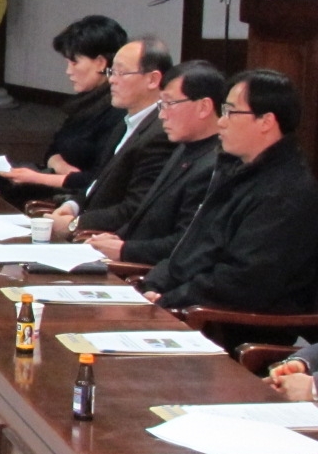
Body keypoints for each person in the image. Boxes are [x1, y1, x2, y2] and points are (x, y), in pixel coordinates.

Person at [141, 69, 318, 314]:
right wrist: (154, 284)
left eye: (230, 112)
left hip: (230, 323)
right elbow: (193, 247)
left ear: (266, 121)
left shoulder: (285, 192)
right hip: (185, 303)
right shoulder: (236, 171)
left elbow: (242, 282)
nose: (221, 122)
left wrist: (169, 300)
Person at [84, 60, 224, 264]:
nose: (162, 115)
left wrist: (125, 249)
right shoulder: (183, 148)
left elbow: (186, 243)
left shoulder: (213, 165)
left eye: (169, 104)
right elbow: (146, 215)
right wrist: (117, 237)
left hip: (148, 270)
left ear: (204, 107)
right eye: (161, 104)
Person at [47, 36, 174, 236]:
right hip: (88, 229)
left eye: (121, 73)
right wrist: (72, 206)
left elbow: (136, 207)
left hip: (110, 240)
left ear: (153, 79)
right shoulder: (124, 123)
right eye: (111, 72)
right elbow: (98, 181)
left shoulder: (160, 134)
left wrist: (75, 224)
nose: (112, 80)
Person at [0, 15, 127, 198]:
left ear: (100, 63)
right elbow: (54, 148)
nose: (68, 71)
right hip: (59, 181)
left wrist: (38, 178)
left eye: (74, 62)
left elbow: (100, 179)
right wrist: (60, 165)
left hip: (78, 197)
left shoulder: (117, 110)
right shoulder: (85, 102)